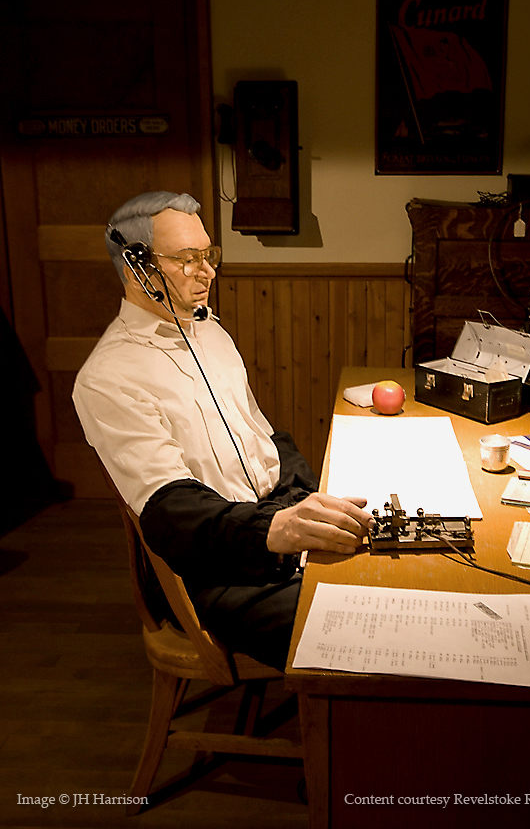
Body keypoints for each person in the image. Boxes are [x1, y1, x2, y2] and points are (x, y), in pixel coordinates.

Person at [73, 191, 372, 671]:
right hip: (210, 570)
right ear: (136, 266)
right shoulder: (108, 377)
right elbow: (173, 513)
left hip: (267, 529)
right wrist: (278, 530)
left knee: (390, 578)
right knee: (364, 635)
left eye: (207, 255)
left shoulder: (210, 332)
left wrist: (305, 501)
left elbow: (264, 438)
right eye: (187, 259)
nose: (207, 271)